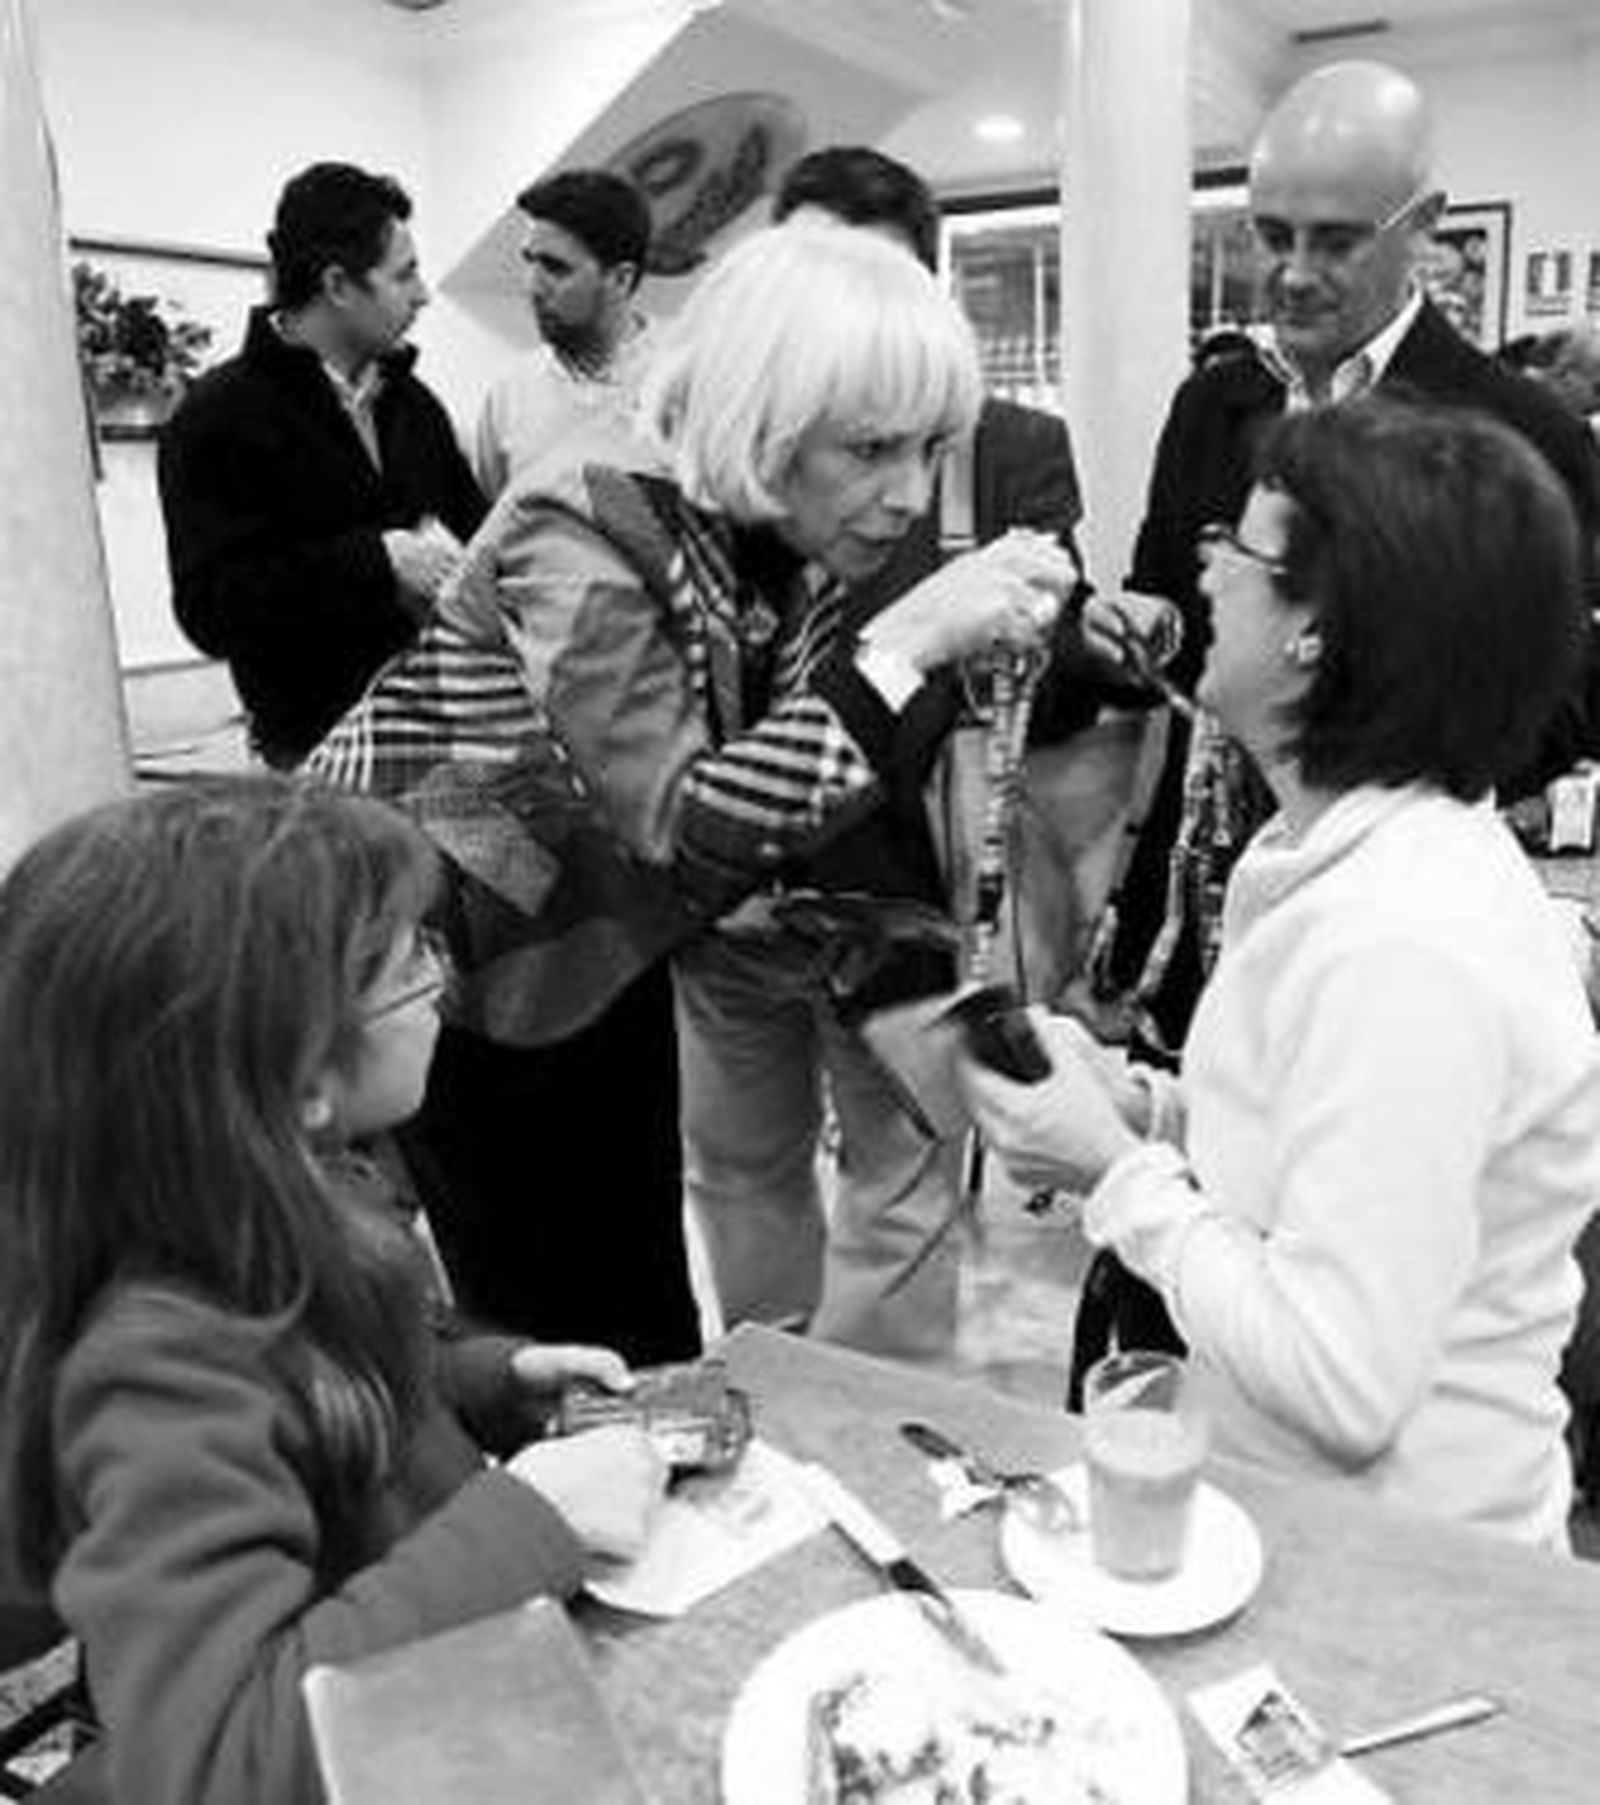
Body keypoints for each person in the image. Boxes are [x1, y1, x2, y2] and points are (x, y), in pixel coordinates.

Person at [310, 222, 1074, 1369]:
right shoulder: (586, 514)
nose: (907, 496)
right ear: (762, 418)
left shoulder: (772, 520)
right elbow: (675, 829)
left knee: (645, 1317)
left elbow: (770, 779)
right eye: (870, 449)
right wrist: (908, 641)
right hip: (450, 964)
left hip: (591, 941)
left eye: (928, 450)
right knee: (563, 1336)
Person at [962, 395, 1600, 1550]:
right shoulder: (1326, 846)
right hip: (1311, 1519)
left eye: (1241, 549)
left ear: (1321, 628)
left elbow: (1338, 1383)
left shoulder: (1404, 944)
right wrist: (1148, 1111)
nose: (1202, 571)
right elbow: (1310, 1146)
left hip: (1403, 1566)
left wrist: (1112, 1172)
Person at [0, 775, 666, 1802]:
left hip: (441, 1684)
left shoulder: (291, 1190)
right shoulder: (159, 1370)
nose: (441, 985)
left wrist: (483, 1377)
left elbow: (326, 1352)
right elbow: (217, 1760)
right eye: (410, 968)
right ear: (300, 1076)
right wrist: (533, 1520)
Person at [654, 145, 1129, 1361]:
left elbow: (1052, 658)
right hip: (727, 907)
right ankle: (781, 1401)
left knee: (905, 1176)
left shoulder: (997, 441)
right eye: (787, 280)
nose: (902, 493)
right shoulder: (686, 497)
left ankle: (877, 1431)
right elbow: (676, 786)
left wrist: (1067, 628)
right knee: (741, 1169)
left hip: (896, 880)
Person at [1105, 59, 1600, 1057]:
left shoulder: (1518, 432)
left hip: (1389, 915)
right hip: (1200, 903)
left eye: (1333, 241)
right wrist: (1127, 632)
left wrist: (1356, 775)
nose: (1291, 271)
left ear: (1424, 224)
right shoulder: (1214, 403)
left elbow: (1565, 693)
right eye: (1269, 234)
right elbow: (1165, 599)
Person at [158, 161, 487, 767]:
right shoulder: (218, 416)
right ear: (338, 285)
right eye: (404, 274)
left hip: (454, 744)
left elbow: (479, 535)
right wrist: (377, 559)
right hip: (317, 765)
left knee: (537, 863)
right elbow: (211, 610)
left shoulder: (417, 406)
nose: (423, 294)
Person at [473, 169, 656, 500]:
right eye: (529, 261)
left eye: (555, 268)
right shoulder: (508, 398)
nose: (532, 286)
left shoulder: (689, 382)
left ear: (620, 280)